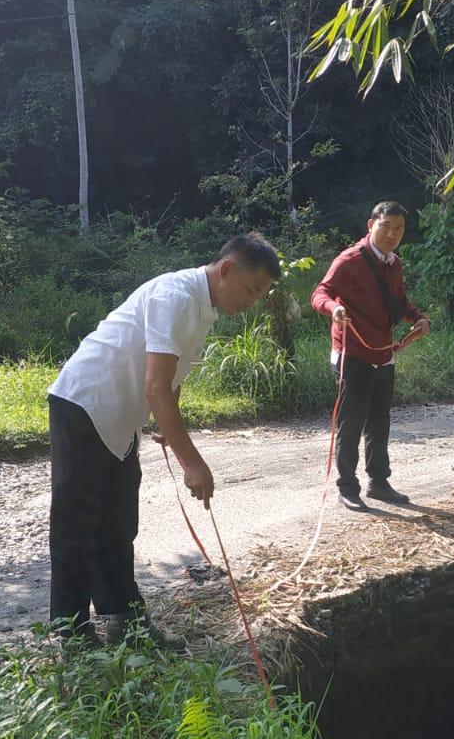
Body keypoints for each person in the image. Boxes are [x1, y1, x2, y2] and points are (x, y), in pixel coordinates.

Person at [48, 233, 281, 642]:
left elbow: (168, 387)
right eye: (251, 290)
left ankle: (126, 622)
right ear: (226, 270)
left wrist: (170, 433)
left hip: (120, 418)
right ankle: (71, 633)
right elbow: (156, 389)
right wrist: (192, 462)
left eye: (260, 295)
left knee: (118, 521)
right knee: (77, 523)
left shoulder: (203, 308)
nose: (251, 302)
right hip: (85, 403)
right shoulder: (176, 296)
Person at [310, 201, 430, 512]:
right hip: (352, 354)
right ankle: (347, 487)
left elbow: (399, 301)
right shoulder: (349, 260)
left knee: (380, 422)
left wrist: (417, 318)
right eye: (386, 226)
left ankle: (379, 483)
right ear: (370, 225)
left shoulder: (394, 263)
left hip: (383, 353)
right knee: (351, 423)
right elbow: (319, 293)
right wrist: (333, 309)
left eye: (399, 228)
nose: (392, 234)